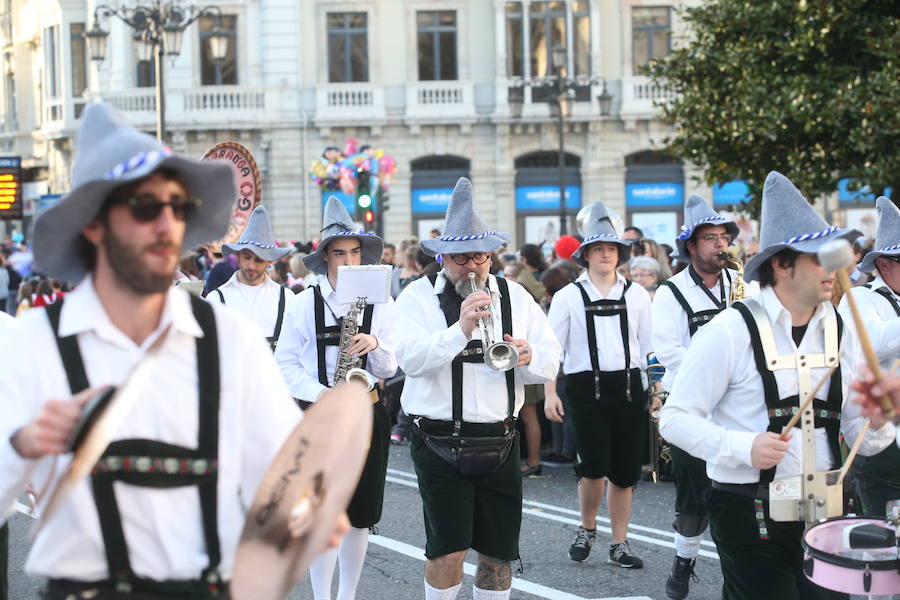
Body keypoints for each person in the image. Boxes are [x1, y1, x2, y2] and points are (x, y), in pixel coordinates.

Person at [0, 102, 311, 599]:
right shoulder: (33, 344)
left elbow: (283, 485)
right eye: (146, 206)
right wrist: (21, 448)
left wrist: (309, 514)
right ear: (93, 224)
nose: (168, 225)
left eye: (179, 206)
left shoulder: (232, 342)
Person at [660, 172, 894, 600]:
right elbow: (674, 420)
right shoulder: (728, 331)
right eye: (818, 258)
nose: (833, 269)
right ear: (782, 265)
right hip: (747, 509)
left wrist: (877, 422)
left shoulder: (844, 330)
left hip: (826, 507)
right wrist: (741, 447)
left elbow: (870, 440)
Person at [395, 177, 560, 600]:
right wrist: (460, 329)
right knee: (448, 552)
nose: (474, 267)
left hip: (500, 440)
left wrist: (527, 357)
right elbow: (409, 360)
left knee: (498, 555)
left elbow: (552, 356)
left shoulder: (516, 295)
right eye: (463, 258)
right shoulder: (416, 297)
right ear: (444, 257)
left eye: (482, 257)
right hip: (437, 440)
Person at [275, 196, 397, 600]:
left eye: (354, 252)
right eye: (339, 253)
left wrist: (375, 343)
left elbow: (389, 369)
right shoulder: (301, 303)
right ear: (325, 258)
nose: (347, 261)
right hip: (320, 414)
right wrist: (323, 393)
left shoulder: (381, 303)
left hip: (366, 414)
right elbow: (285, 366)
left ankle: (348, 595)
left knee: (359, 515)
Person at [546, 201, 650, 569]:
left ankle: (619, 542)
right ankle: (587, 527)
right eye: (598, 249)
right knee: (592, 469)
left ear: (620, 255)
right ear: (586, 255)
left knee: (625, 473)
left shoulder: (637, 295)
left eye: (612, 249)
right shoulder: (568, 296)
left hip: (627, 388)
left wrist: (655, 393)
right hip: (582, 389)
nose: (606, 255)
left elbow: (649, 349)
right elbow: (550, 350)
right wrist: (548, 394)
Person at [651, 194, 744, 599]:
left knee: (735, 493)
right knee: (693, 497)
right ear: (691, 246)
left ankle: (736, 571)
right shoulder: (670, 293)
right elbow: (668, 350)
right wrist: (717, 370)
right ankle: (683, 561)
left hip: (737, 406)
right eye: (711, 238)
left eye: (724, 237)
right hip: (692, 405)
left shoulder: (741, 284)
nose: (721, 245)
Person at [839, 196, 900, 517]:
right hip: (880, 437)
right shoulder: (859, 300)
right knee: (885, 533)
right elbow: (871, 343)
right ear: (885, 264)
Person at [208, 205, 295, 349]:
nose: (251, 266)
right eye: (247, 257)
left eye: (259, 260)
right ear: (237, 255)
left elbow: (295, 349)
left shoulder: (287, 298)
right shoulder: (216, 299)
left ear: (269, 261)